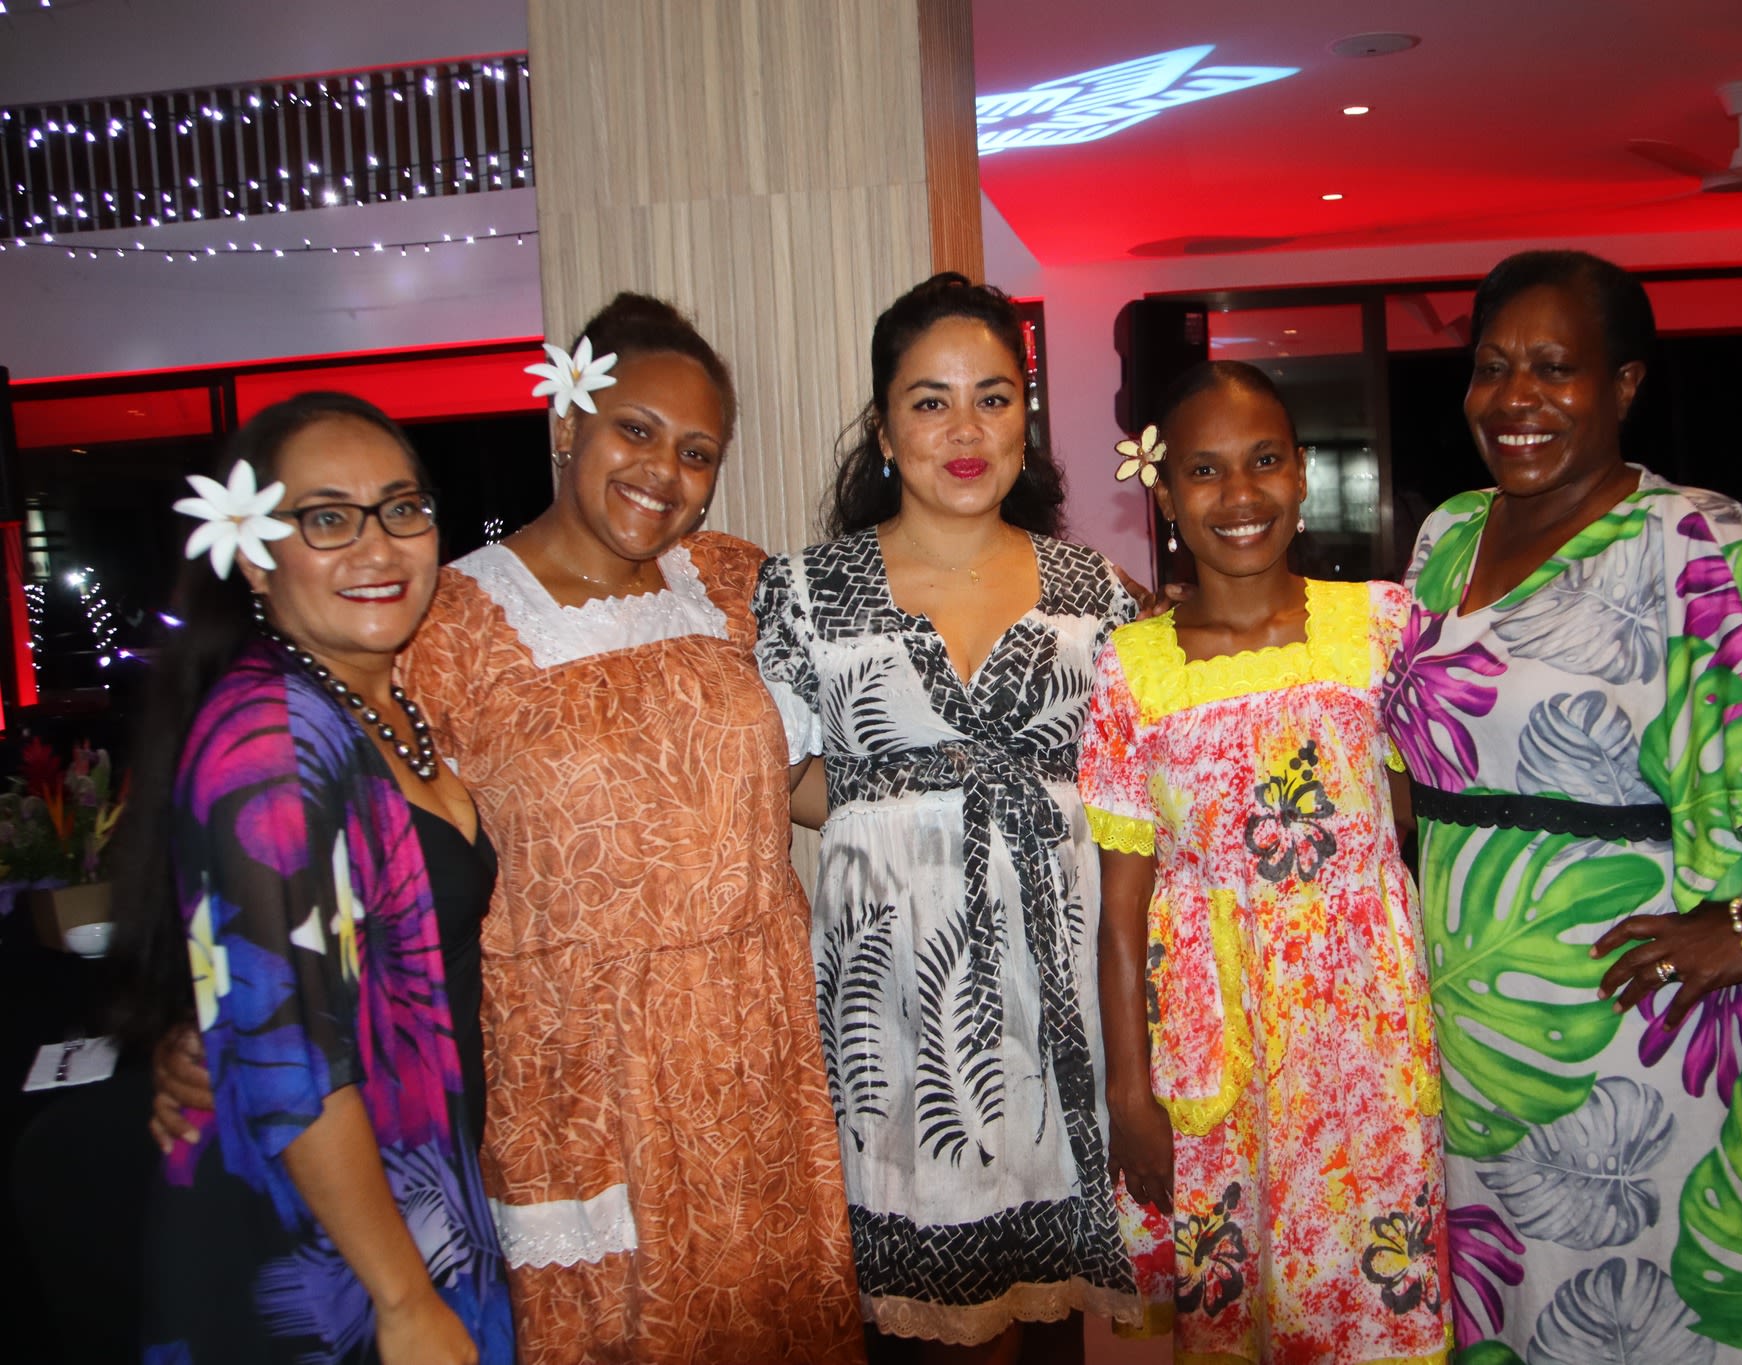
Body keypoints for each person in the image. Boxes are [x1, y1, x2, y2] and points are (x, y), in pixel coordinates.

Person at [152, 297, 864, 1363]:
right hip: (578, 1064)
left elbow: (799, 779)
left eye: (696, 450)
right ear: (567, 421)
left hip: (754, 1042)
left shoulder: (733, 583)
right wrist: (215, 1019)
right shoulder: (440, 621)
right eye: (633, 429)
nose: (662, 471)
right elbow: (317, 864)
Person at [1383, 249, 1742, 1363]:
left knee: (1626, 1296)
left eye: (1553, 368)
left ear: (1624, 386)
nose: (1514, 400)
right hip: (1455, 1007)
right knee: (1495, 1296)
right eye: (1491, 367)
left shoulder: (1693, 538)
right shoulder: (1448, 533)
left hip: (1622, 1019)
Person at [752, 273, 1140, 1358]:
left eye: (993, 397)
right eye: (929, 401)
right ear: (883, 426)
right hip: (891, 993)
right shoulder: (802, 590)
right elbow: (784, 774)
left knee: (1049, 1323)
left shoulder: (1094, 592)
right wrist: (913, 821)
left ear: (1027, 413)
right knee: (918, 1329)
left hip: (1055, 976)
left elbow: (1133, 791)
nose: (964, 431)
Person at [114, 393, 514, 1364]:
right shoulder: (272, 745)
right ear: (256, 552)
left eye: (402, 508)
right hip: (323, 1255)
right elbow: (291, 1065)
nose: (376, 547)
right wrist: (404, 1299)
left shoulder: (376, 704)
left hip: (401, 1195)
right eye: (327, 518)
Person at [1079, 362, 1451, 1364]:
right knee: (1236, 1316)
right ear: (1161, 491)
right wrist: (1127, 1090)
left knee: (1371, 1300)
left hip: (1359, 1041)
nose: (1237, 496)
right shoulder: (1132, 666)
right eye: (1202, 470)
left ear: (1300, 471)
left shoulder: (1381, 626)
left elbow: (1419, 819)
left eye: (1262, 462)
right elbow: (1122, 905)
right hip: (1213, 1035)